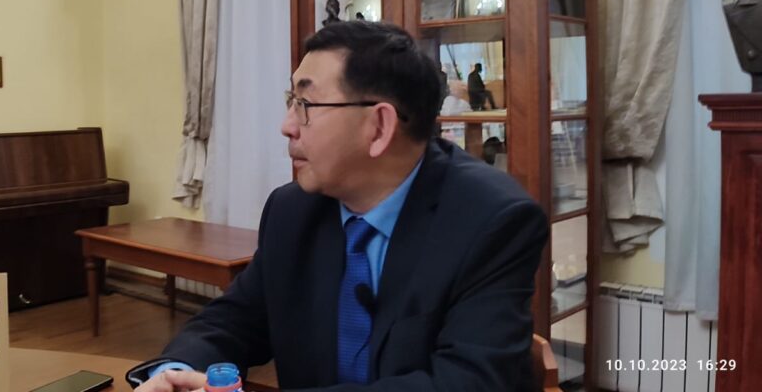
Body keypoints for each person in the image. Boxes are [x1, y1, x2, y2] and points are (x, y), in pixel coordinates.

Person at [127, 21, 547, 391]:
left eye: (305, 105)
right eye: (290, 100)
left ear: (379, 126)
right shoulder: (293, 210)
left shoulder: (491, 220)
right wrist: (175, 372)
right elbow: (234, 320)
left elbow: (465, 383)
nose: (286, 126)